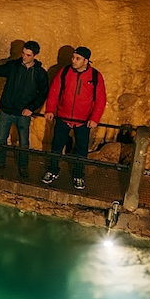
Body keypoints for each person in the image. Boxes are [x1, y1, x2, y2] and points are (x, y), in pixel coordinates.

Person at [0, 40, 48, 178]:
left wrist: (31, 108)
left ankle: (23, 166)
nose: (24, 57)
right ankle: (0, 162)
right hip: (7, 109)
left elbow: (43, 93)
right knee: (1, 139)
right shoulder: (13, 66)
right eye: (23, 53)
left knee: (24, 142)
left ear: (35, 55)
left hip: (23, 113)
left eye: (28, 55)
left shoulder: (40, 73)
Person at [43, 46, 106, 191]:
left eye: (77, 58)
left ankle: (78, 175)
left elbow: (100, 99)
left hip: (83, 121)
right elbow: (54, 91)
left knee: (81, 149)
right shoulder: (64, 72)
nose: (74, 61)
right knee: (56, 146)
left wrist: (95, 118)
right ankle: (53, 170)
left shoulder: (95, 76)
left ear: (86, 61)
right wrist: (50, 109)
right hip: (63, 116)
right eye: (73, 57)